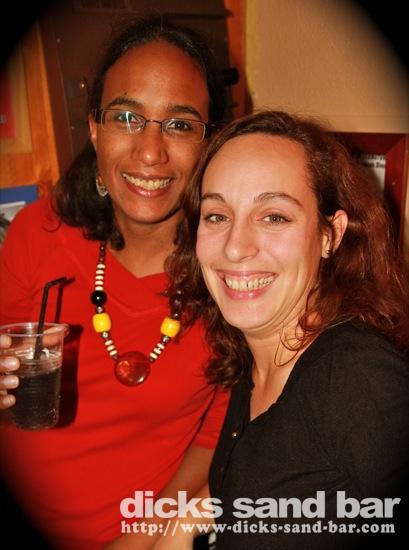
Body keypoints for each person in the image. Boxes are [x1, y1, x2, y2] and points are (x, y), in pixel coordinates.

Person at [0, 15, 229, 549]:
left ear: (210, 142)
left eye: (180, 124)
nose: (150, 152)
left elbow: (215, 437)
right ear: (95, 129)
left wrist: (142, 539)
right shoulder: (38, 231)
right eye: (127, 117)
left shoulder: (231, 274)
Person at [158, 110, 409, 549]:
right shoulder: (257, 355)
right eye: (216, 215)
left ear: (330, 235)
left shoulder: (356, 379)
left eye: (273, 216)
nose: (236, 247)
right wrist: (187, 519)